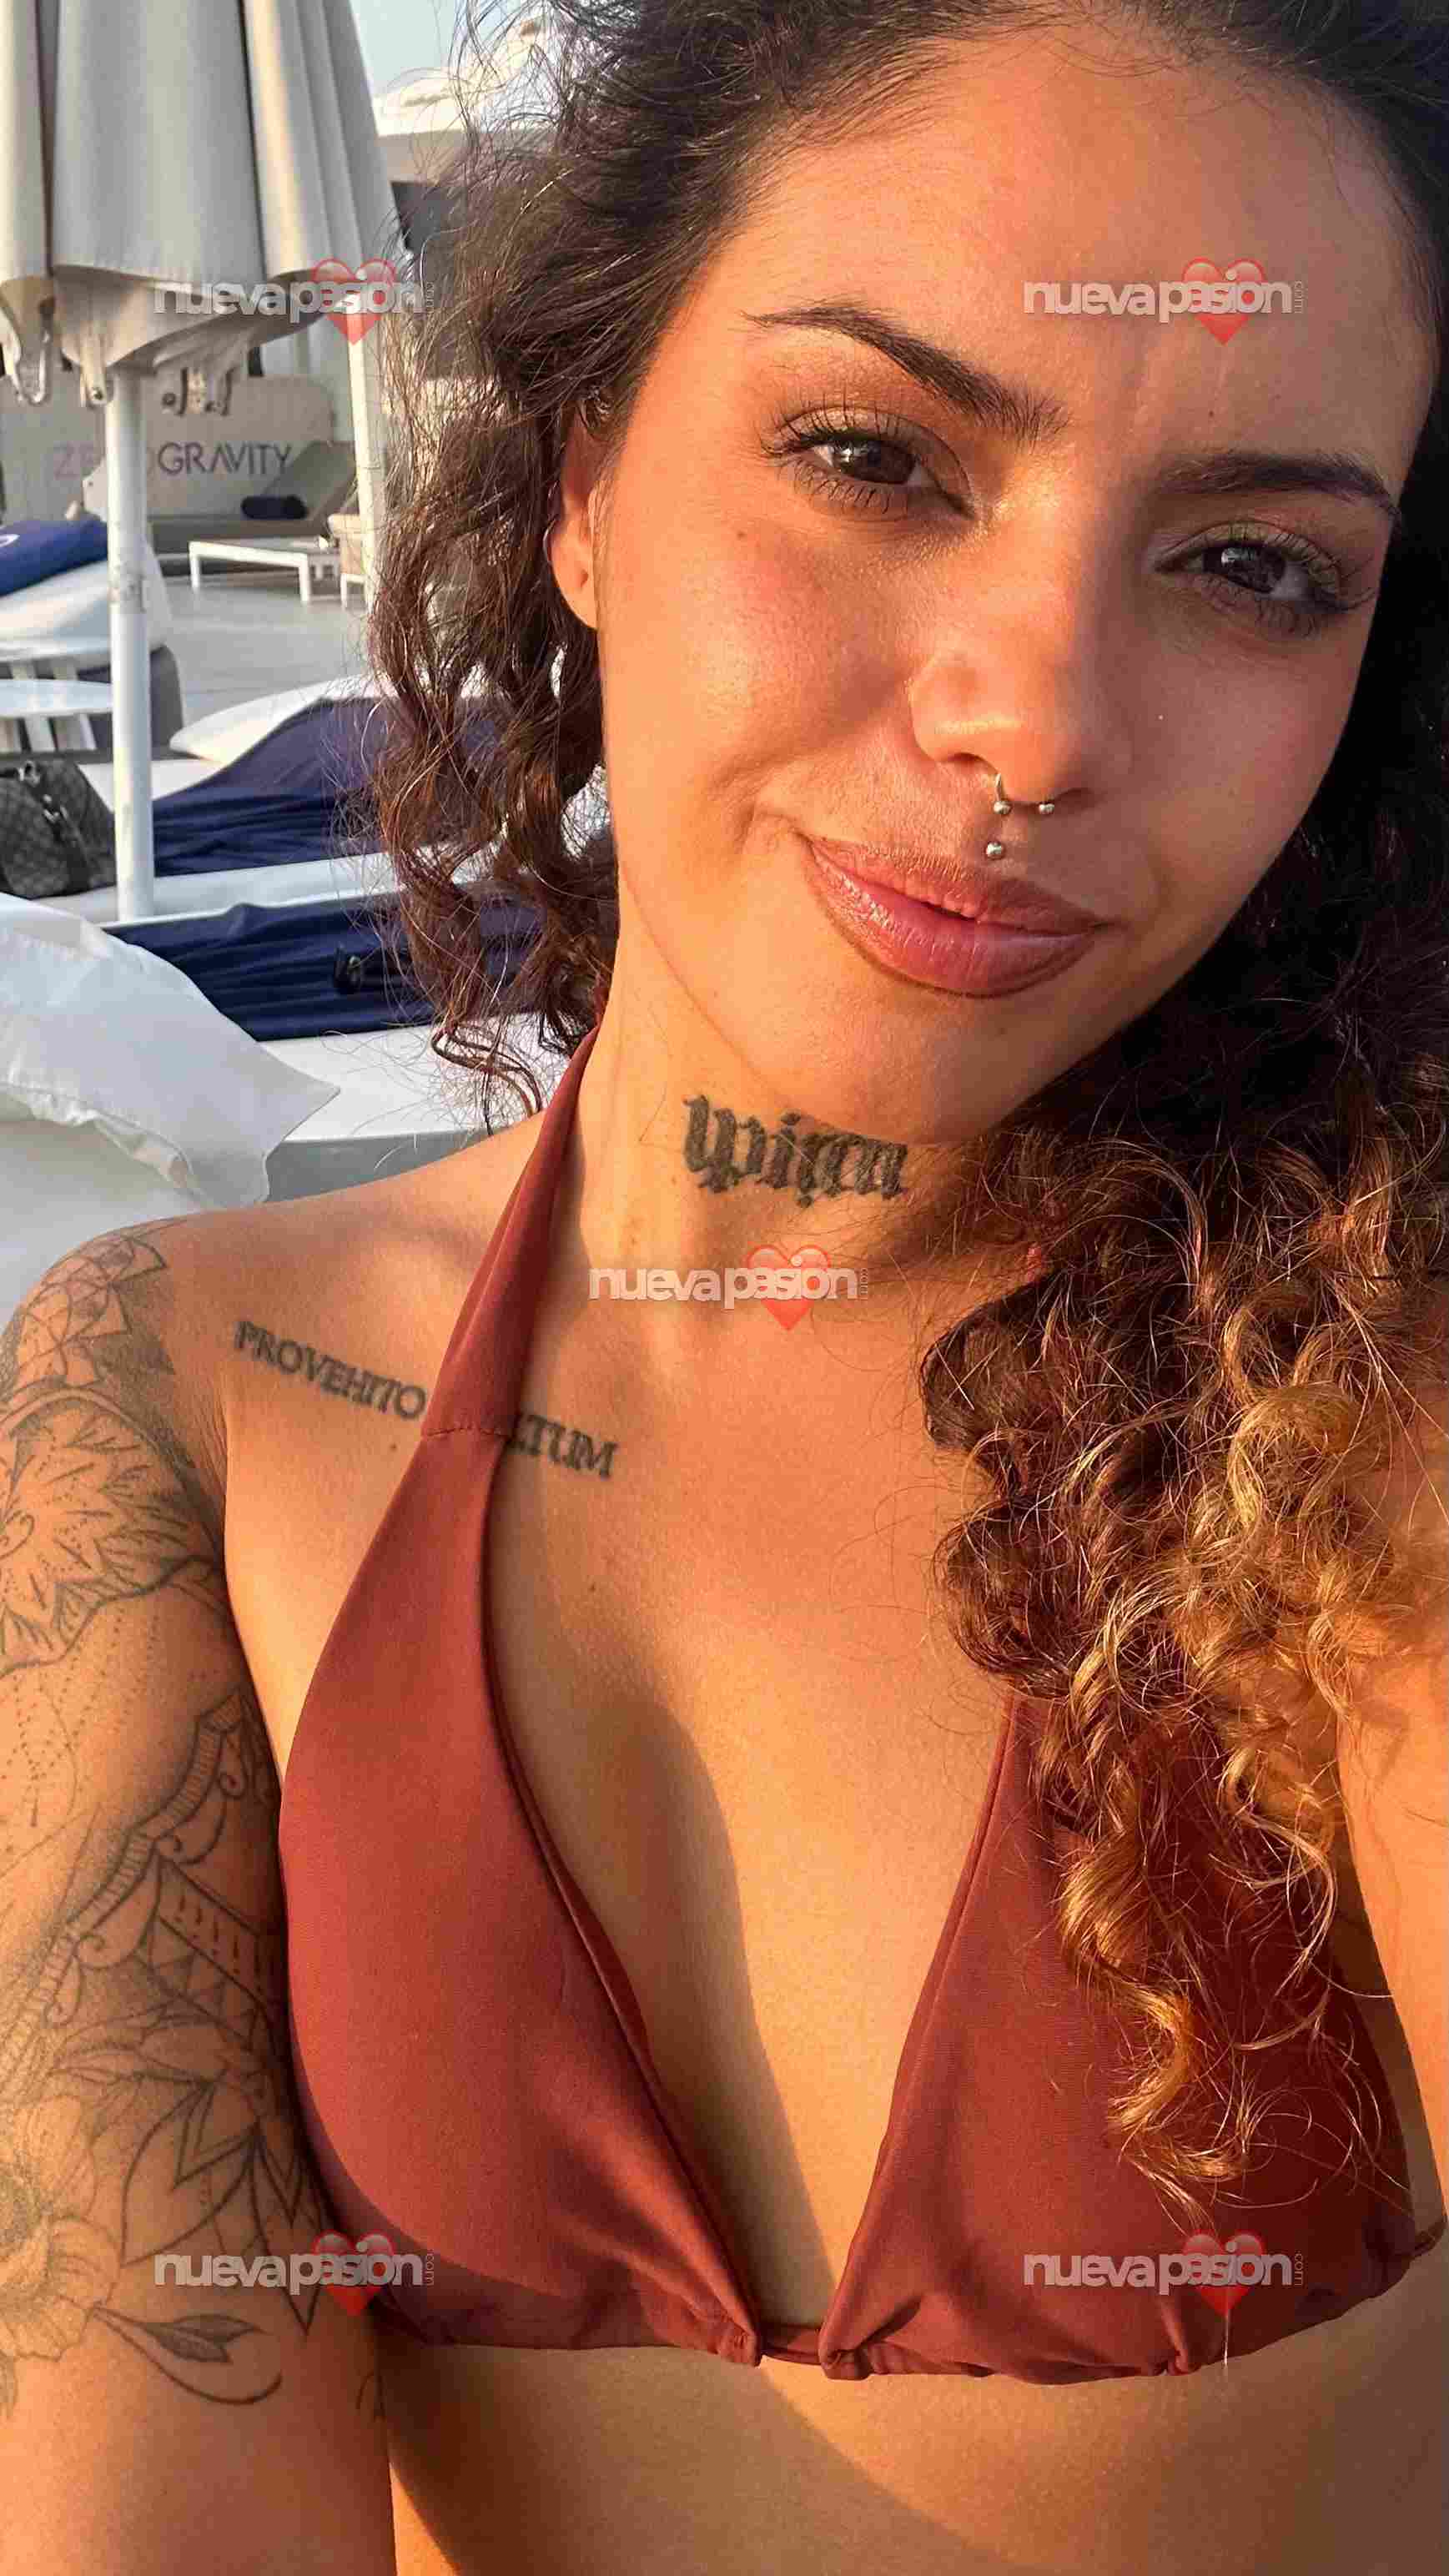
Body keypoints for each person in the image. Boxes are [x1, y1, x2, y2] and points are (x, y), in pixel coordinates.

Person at [4, 2, 1447, 2568]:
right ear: (580, 478)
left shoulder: (1357, 1413)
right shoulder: (183, 1389)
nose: (1031, 723)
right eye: (874, 457)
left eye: (1250, 566)